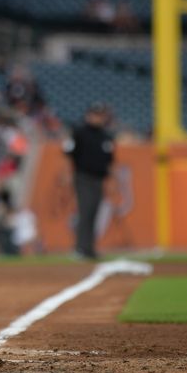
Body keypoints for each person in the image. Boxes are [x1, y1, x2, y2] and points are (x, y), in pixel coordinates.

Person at [63, 102, 115, 260]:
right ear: (88, 115)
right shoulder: (79, 133)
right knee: (85, 211)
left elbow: (109, 158)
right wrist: (68, 172)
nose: (98, 118)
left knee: (94, 212)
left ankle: (90, 248)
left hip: (98, 179)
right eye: (95, 115)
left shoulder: (105, 136)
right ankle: (80, 248)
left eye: (100, 115)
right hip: (83, 177)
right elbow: (68, 152)